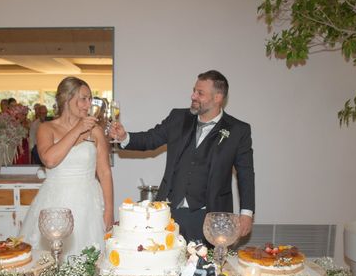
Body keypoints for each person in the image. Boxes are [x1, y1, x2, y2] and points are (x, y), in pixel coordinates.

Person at [109, 70, 254, 244]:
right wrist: (125, 137)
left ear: (218, 98)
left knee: (206, 269)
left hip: (209, 216)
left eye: (200, 93)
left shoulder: (238, 130)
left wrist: (246, 213)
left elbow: (245, 174)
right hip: (169, 213)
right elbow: (151, 138)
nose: (193, 96)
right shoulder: (178, 117)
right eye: (194, 90)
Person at [20, 76, 113, 258]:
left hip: (89, 204)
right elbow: (50, 160)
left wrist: (109, 210)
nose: (88, 104)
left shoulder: (96, 131)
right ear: (66, 99)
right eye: (83, 98)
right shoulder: (46, 129)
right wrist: (77, 129)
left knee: (89, 261)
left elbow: (104, 172)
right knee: (50, 261)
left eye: (90, 99)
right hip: (55, 203)